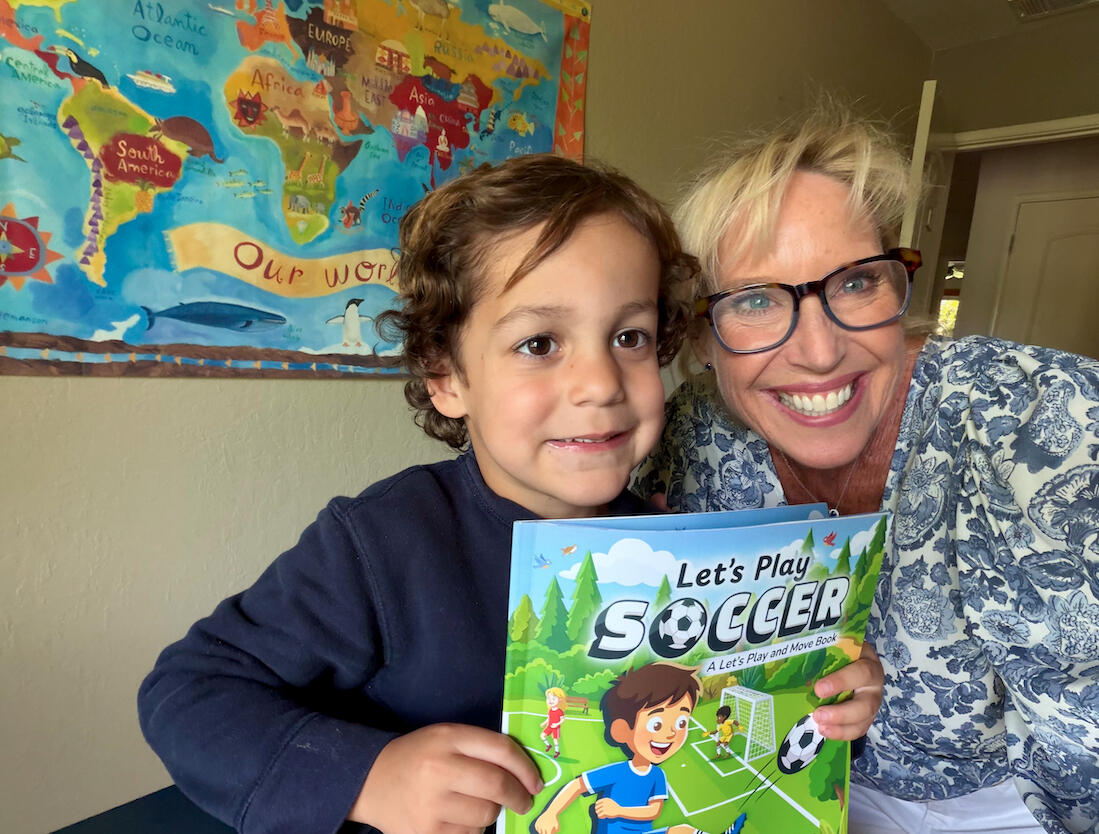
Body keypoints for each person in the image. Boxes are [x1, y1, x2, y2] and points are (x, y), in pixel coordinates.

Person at [137, 153, 879, 834]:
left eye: (629, 337)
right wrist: (369, 776)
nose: (600, 384)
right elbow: (188, 691)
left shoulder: (677, 548)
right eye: (538, 344)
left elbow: (711, 707)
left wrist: (825, 694)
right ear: (446, 378)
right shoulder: (380, 544)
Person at [634, 104, 1099, 834]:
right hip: (799, 785)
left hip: (1018, 804)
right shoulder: (691, 435)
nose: (820, 353)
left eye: (854, 283)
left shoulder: (1049, 417)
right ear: (700, 336)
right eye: (754, 301)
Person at [533, 663, 744, 834]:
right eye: (656, 725)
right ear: (622, 730)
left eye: (681, 722)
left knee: (682, 830)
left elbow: (654, 811)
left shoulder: (657, 775)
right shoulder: (618, 772)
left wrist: (619, 810)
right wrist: (550, 813)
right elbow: (577, 785)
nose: (671, 733)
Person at [541, 686, 566, 758]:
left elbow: (563, 719)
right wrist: (544, 723)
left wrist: (557, 724)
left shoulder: (559, 711)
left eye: (553, 699)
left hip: (556, 728)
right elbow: (549, 718)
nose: (550, 701)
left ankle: (557, 751)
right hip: (549, 727)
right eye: (548, 698)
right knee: (542, 736)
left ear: (560, 699)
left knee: (555, 740)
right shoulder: (550, 710)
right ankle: (548, 745)